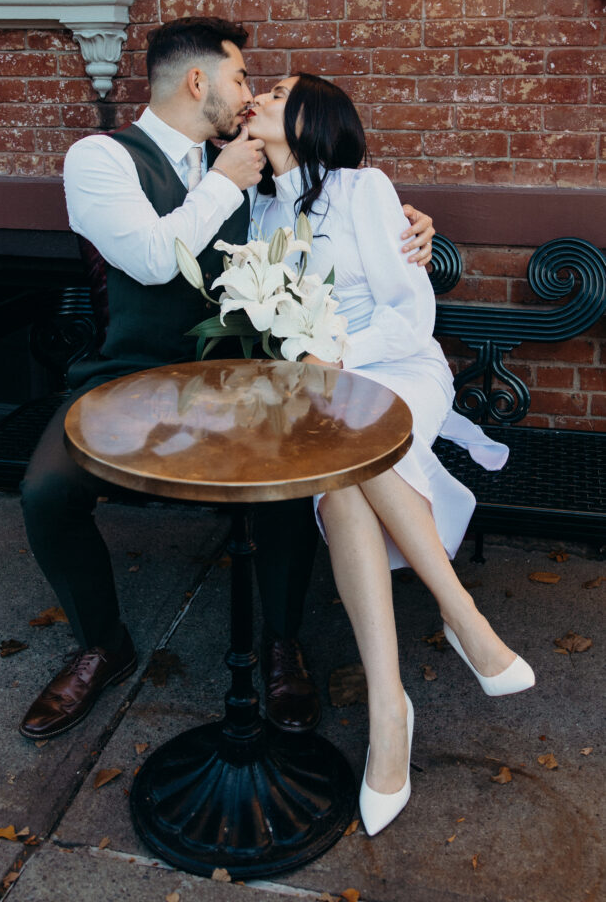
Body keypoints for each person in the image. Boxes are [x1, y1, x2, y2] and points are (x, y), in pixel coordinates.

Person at [18, 18, 435, 742]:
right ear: (196, 81)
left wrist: (415, 230)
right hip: (128, 374)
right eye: (242, 78)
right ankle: (101, 643)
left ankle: (281, 643)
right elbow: (150, 259)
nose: (248, 97)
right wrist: (219, 183)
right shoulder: (101, 159)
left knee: (288, 480)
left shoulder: (253, 169)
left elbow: (331, 209)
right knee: (46, 491)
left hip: (246, 376)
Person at [245, 72, 535, 836]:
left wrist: (339, 353)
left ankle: (434, 651)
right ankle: (400, 690)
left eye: (277, 91)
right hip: (322, 390)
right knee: (340, 481)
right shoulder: (258, 204)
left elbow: (410, 318)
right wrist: (314, 366)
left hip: (397, 369)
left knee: (352, 457)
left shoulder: (362, 188)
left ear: (314, 117)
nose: (260, 96)